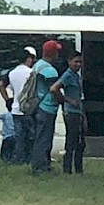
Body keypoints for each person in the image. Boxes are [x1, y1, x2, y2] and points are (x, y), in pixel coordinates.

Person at [51, 50, 86, 174]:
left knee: (80, 142)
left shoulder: (77, 76)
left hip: (78, 112)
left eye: (80, 62)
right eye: (76, 62)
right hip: (71, 112)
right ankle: (67, 169)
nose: (78, 64)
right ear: (69, 62)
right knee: (71, 141)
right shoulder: (68, 75)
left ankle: (78, 168)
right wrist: (68, 101)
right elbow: (54, 88)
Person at [30, 40, 62, 175]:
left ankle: (41, 164)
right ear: (53, 53)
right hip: (47, 107)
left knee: (40, 137)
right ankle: (41, 167)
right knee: (45, 138)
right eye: (57, 52)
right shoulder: (50, 70)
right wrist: (63, 100)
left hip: (38, 106)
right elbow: (54, 90)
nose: (59, 55)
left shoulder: (37, 65)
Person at [8, 47, 37, 165]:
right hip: (28, 109)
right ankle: (29, 159)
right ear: (28, 59)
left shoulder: (12, 73)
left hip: (16, 109)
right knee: (31, 136)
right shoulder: (31, 73)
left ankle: (18, 159)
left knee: (19, 137)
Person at [0, 68, 16, 162]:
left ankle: (5, 161)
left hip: (7, 137)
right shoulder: (17, 116)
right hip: (16, 136)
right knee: (14, 151)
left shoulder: (5, 115)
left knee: (5, 153)